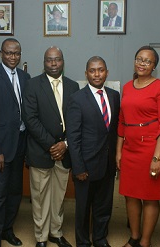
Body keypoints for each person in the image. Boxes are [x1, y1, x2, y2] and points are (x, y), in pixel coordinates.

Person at [117, 46, 160, 247]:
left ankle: (145, 241)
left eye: (147, 61)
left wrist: (157, 157)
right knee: (130, 196)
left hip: (151, 149)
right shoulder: (128, 87)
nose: (142, 63)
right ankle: (134, 237)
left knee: (150, 197)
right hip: (129, 149)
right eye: (139, 59)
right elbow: (121, 122)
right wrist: (118, 151)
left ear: (154, 66)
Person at [23, 46, 79, 247]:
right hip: (40, 151)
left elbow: (75, 120)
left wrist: (64, 144)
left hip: (64, 152)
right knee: (40, 198)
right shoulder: (32, 85)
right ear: (44, 62)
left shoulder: (73, 86)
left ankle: (56, 233)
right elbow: (30, 119)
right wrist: (51, 145)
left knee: (58, 197)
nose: (53, 64)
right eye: (49, 60)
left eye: (57, 59)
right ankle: (41, 237)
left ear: (63, 61)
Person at [0, 38, 31, 247]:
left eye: (16, 53)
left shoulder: (25, 77)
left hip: (20, 144)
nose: (13, 57)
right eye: (9, 53)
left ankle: (7, 230)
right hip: (0, 149)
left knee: (15, 193)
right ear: (1, 53)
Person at [66, 56, 119, 247]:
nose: (97, 74)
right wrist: (78, 167)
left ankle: (100, 238)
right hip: (85, 166)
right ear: (86, 73)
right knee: (83, 208)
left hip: (107, 163)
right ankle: (82, 241)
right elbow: (73, 137)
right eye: (92, 70)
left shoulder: (114, 96)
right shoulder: (77, 99)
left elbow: (112, 132)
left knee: (104, 206)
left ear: (107, 72)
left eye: (101, 70)